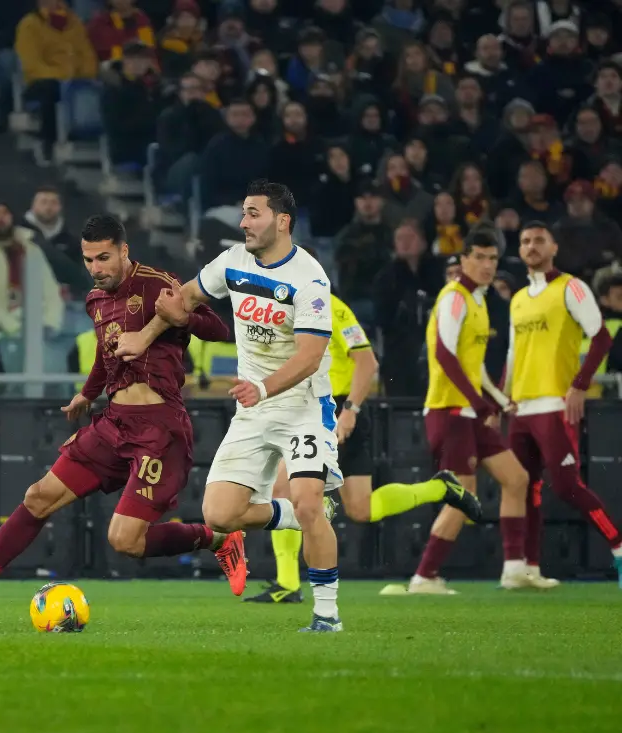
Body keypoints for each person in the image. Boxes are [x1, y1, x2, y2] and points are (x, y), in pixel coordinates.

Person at [0, 215, 246, 607]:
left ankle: (218, 539)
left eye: (103, 258)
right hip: (114, 423)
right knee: (39, 496)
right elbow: (105, 356)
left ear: (124, 251)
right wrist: (87, 395)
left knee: (125, 541)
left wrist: (183, 318)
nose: (95, 268)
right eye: (88, 260)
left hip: (159, 430)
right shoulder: (95, 300)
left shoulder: (159, 284)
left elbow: (219, 330)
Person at [116, 180, 346, 633]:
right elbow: (185, 297)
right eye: (243, 213)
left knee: (307, 501)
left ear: (282, 221)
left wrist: (262, 387)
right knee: (219, 515)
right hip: (254, 409)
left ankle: (326, 615)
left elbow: (309, 357)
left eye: (253, 213)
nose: (243, 222)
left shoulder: (310, 280)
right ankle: (294, 515)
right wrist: (143, 336)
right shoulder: (233, 262)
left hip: (302, 406)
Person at [251, 292, 484, 604]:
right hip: (311, 411)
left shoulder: (329, 307)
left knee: (283, 489)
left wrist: (350, 410)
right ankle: (440, 488)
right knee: (362, 509)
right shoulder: (283, 313)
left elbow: (367, 361)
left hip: (334, 411)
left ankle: (288, 584)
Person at [388, 228, 531, 595]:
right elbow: (444, 354)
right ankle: (424, 576)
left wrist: (496, 399)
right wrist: (479, 401)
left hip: (468, 411)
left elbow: (473, 364)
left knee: (516, 479)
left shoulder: (478, 301)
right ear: (464, 259)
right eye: (479, 257)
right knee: (463, 495)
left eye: (492, 258)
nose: (487, 265)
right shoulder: (454, 297)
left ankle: (515, 570)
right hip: (449, 410)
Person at [503, 222, 622, 588]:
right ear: (519, 250)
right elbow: (512, 354)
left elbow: (601, 338)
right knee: (524, 488)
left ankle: (619, 547)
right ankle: (530, 568)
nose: (532, 246)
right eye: (525, 241)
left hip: (555, 403)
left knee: (567, 487)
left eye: (539, 240)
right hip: (521, 407)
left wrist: (579, 386)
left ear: (554, 247)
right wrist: (503, 398)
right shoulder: (518, 299)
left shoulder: (571, 287)